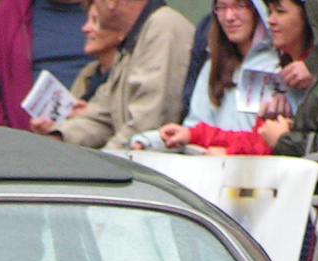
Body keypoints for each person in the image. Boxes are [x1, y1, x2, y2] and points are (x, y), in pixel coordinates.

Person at [31, 0, 191, 148]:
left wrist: (101, 165)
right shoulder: (134, 37)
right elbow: (103, 116)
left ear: (111, 2)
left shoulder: (162, 28)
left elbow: (148, 124)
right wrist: (56, 138)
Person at [153, 0, 278, 149]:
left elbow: (264, 141)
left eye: (240, 6)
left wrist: (228, 154)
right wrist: (149, 141)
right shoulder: (213, 65)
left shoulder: (277, 66)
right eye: (222, 7)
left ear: (258, 10)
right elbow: (194, 129)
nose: (229, 16)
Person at [0, 0, 90, 128]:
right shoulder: (9, 14)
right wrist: (11, 140)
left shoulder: (107, 12)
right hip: (28, 141)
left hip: (99, 133)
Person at [70, 0, 117, 97]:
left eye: (96, 21)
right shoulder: (88, 73)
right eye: (88, 20)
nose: (85, 28)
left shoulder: (132, 74)